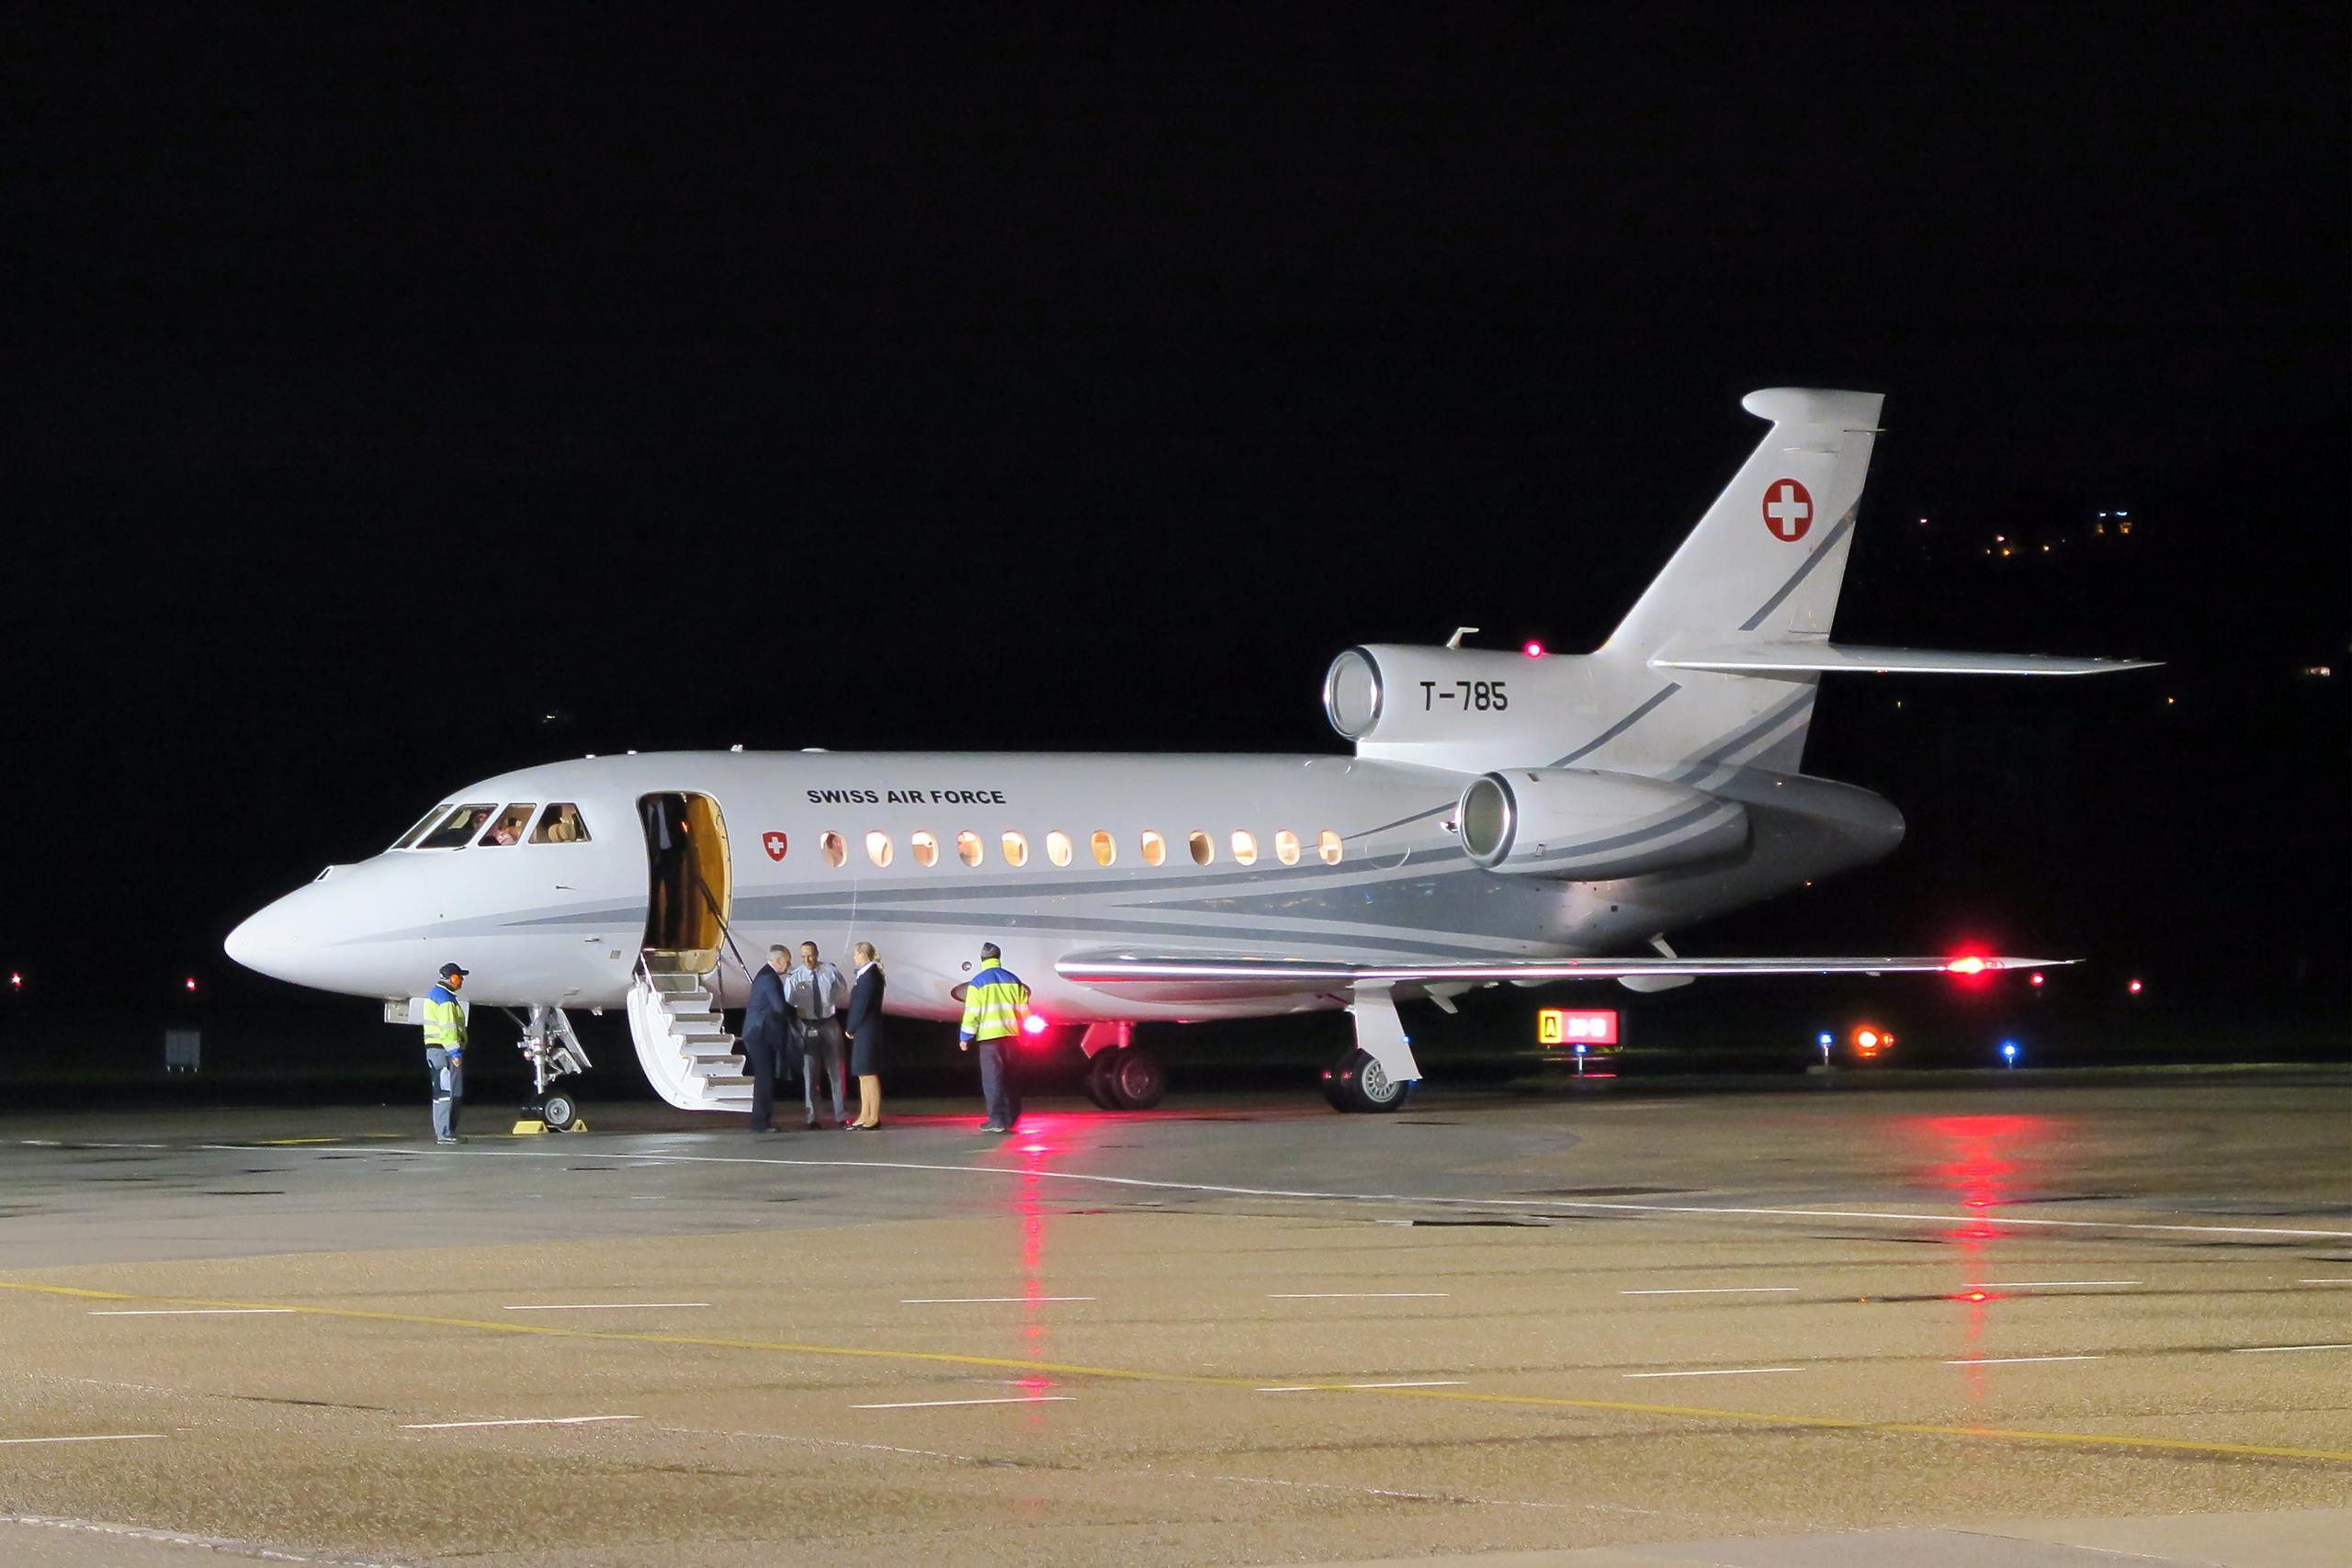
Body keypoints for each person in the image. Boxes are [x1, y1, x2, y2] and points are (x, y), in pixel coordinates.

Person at [957, 942, 1029, 1134]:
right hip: (1012, 1039)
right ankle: (1012, 1117)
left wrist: (965, 1037)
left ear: (982, 959)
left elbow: (972, 1014)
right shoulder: (1013, 980)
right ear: (999, 957)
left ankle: (996, 1120)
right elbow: (1024, 1012)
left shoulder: (978, 983)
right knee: (1011, 1079)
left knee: (993, 1080)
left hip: (990, 1040)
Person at [786, 940, 850, 1128]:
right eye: (803, 956)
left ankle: (841, 1115)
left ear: (817, 953)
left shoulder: (829, 971)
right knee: (810, 1073)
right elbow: (788, 1000)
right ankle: (812, 1117)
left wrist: (828, 1002)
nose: (807, 960)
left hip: (828, 1023)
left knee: (837, 1071)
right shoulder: (795, 976)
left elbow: (841, 989)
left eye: (810, 955)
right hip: (807, 1025)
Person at [741, 945, 793, 1134]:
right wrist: (796, 1011)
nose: (789, 966)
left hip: (759, 1033)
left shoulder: (764, 975)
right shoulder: (769, 978)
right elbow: (779, 1007)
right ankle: (761, 1122)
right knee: (765, 1079)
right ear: (778, 961)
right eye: (787, 961)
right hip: (760, 1035)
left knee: (764, 1078)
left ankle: (762, 1120)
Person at [422, 962, 469, 1144]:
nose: (462, 980)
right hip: (444, 1052)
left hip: (439, 1051)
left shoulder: (440, 994)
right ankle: (444, 1133)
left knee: (450, 1091)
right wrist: (455, 1053)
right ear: (453, 978)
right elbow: (448, 1029)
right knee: (445, 1092)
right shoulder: (445, 999)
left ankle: (447, 1131)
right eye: (460, 977)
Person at [842, 942, 887, 1130]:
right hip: (863, 1029)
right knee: (862, 1073)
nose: (854, 958)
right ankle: (864, 1113)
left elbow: (861, 1006)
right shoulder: (866, 975)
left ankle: (873, 1116)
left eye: (855, 954)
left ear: (862, 954)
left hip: (867, 1029)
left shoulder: (870, 976)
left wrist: (850, 1027)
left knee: (869, 1073)